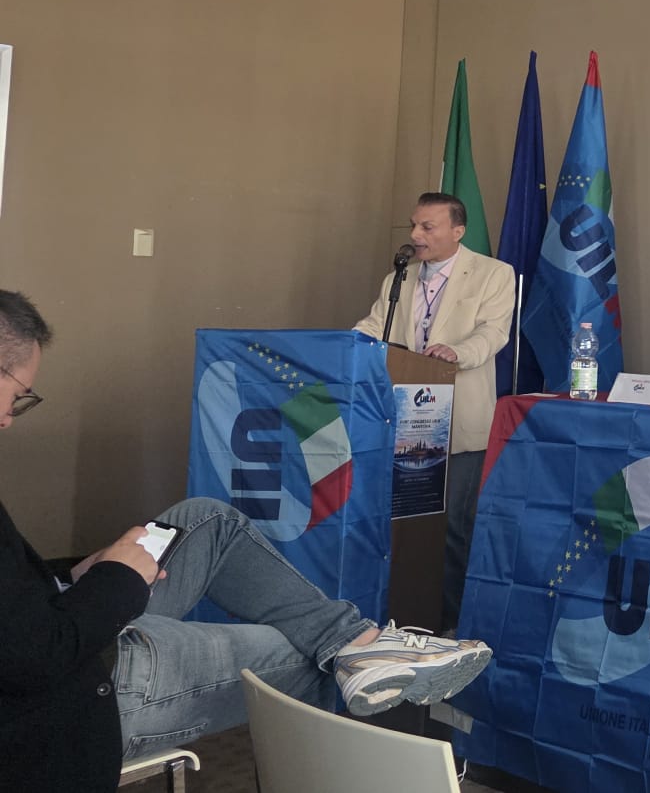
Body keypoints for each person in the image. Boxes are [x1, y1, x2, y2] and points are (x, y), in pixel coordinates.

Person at [0, 290, 492, 792]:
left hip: (65, 616)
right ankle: (355, 650)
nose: (9, 418)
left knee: (208, 519)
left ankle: (357, 643)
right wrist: (116, 578)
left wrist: (73, 575)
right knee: (309, 655)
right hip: (77, 686)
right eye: (19, 395)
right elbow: (38, 657)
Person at [352, 192, 516, 631]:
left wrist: (457, 352)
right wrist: (349, 344)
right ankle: (402, 614)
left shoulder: (494, 273)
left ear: (457, 231)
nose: (415, 234)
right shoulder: (399, 277)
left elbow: (493, 333)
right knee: (403, 524)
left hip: (460, 420)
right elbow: (375, 326)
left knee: (454, 528)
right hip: (402, 422)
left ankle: (453, 625)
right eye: (414, 225)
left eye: (427, 226)